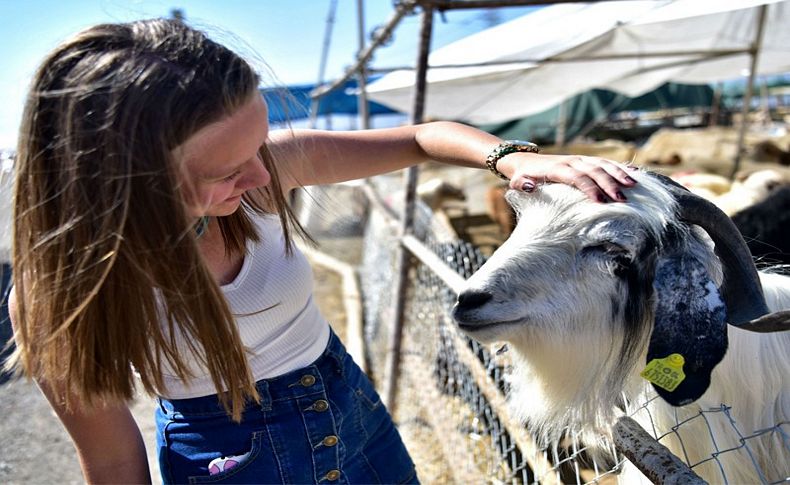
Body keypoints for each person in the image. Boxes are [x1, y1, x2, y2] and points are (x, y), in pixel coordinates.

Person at [6, 18, 637, 484]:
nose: (262, 176)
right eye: (225, 170)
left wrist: (514, 159)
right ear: (126, 179)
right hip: (236, 460)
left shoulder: (257, 173)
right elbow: (114, 459)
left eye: (259, 144)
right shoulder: (60, 292)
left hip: (351, 405)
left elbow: (421, 136)